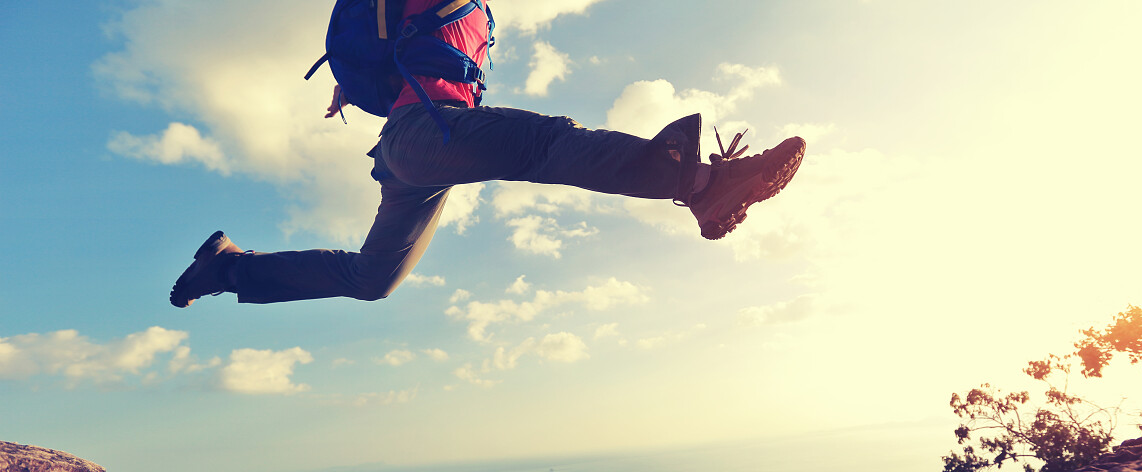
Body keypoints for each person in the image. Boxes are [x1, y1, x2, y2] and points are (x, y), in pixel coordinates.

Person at [169, 0, 805, 308]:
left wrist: (350, 81)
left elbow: (389, 52)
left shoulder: (459, 17)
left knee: (373, 278)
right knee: (546, 143)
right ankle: (701, 182)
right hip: (422, 137)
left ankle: (228, 270)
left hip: (419, 151)